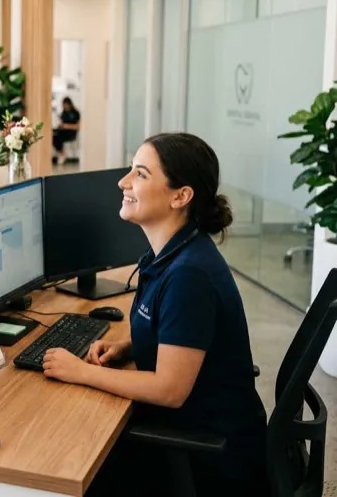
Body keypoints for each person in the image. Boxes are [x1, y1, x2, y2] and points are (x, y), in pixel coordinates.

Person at [43, 132, 268, 497]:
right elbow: (182, 329)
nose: (123, 182)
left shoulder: (189, 274)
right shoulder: (173, 253)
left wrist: (81, 372)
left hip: (209, 461)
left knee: (69, 463)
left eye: (141, 174)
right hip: (194, 431)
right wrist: (129, 347)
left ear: (180, 196)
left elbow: (169, 390)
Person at [52, 97, 80, 164]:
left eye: (65, 104)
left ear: (69, 104)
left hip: (71, 133)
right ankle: (61, 153)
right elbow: (61, 123)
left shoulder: (75, 113)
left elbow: (77, 126)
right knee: (53, 135)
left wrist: (66, 126)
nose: (64, 106)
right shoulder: (63, 113)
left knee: (58, 136)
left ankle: (61, 154)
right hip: (63, 131)